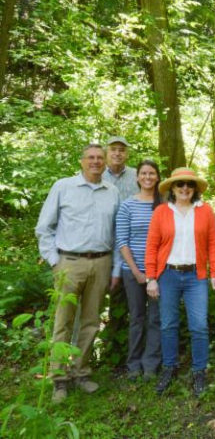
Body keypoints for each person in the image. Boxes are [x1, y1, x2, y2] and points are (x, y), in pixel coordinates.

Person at [35, 144, 120, 403]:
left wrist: (115, 268)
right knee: (63, 321)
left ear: (105, 163)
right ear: (82, 161)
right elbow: (44, 227)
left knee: (91, 320)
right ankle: (59, 379)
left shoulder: (112, 191)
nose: (95, 162)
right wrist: (54, 261)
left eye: (99, 158)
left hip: (101, 262)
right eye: (90, 158)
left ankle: (81, 372)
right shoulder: (64, 187)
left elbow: (117, 235)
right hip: (69, 262)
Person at [145, 167, 215, 397]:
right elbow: (152, 246)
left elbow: (213, 244)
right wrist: (151, 278)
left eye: (189, 184)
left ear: (195, 189)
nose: (185, 188)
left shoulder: (205, 211)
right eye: (180, 185)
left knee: (198, 326)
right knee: (168, 324)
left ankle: (199, 371)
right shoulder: (161, 211)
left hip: (195, 276)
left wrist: (214, 273)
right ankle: (169, 367)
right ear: (172, 189)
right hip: (167, 275)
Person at [115, 159, 163, 381]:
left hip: (160, 273)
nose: (147, 177)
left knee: (155, 318)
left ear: (157, 177)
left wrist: (154, 273)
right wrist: (136, 271)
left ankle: (151, 364)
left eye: (152, 173)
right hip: (132, 270)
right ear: (137, 177)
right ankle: (133, 364)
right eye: (143, 173)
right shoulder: (127, 205)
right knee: (136, 317)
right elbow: (122, 241)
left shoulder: (163, 205)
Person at [102, 136, 138, 368]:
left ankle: (125, 351)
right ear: (107, 152)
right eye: (113, 150)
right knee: (102, 299)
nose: (117, 154)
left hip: (133, 250)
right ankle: (105, 349)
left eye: (121, 150)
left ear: (127, 154)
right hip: (103, 247)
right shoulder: (97, 175)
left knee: (129, 302)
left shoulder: (137, 175)